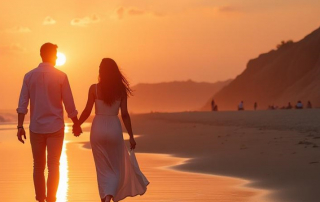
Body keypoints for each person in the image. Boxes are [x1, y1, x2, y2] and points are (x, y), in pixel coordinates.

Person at [16, 43, 82, 202]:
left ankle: (40, 199)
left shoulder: (29, 76)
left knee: (38, 166)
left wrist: (20, 126)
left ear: (41, 54)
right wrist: (76, 123)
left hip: (36, 127)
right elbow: (69, 104)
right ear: (54, 56)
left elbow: (22, 104)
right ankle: (51, 198)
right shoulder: (61, 76)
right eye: (56, 54)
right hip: (55, 127)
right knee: (54, 165)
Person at [78, 58, 149, 202]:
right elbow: (124, 114)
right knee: (116, 168)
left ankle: (105, 196)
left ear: (101, 71)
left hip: (97, 129)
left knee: (102, 168)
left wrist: (77, 124)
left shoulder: (94, 88)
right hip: (113, 129)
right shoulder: (120, 90)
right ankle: (108, 196)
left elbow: (86, 110)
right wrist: (131, 136)